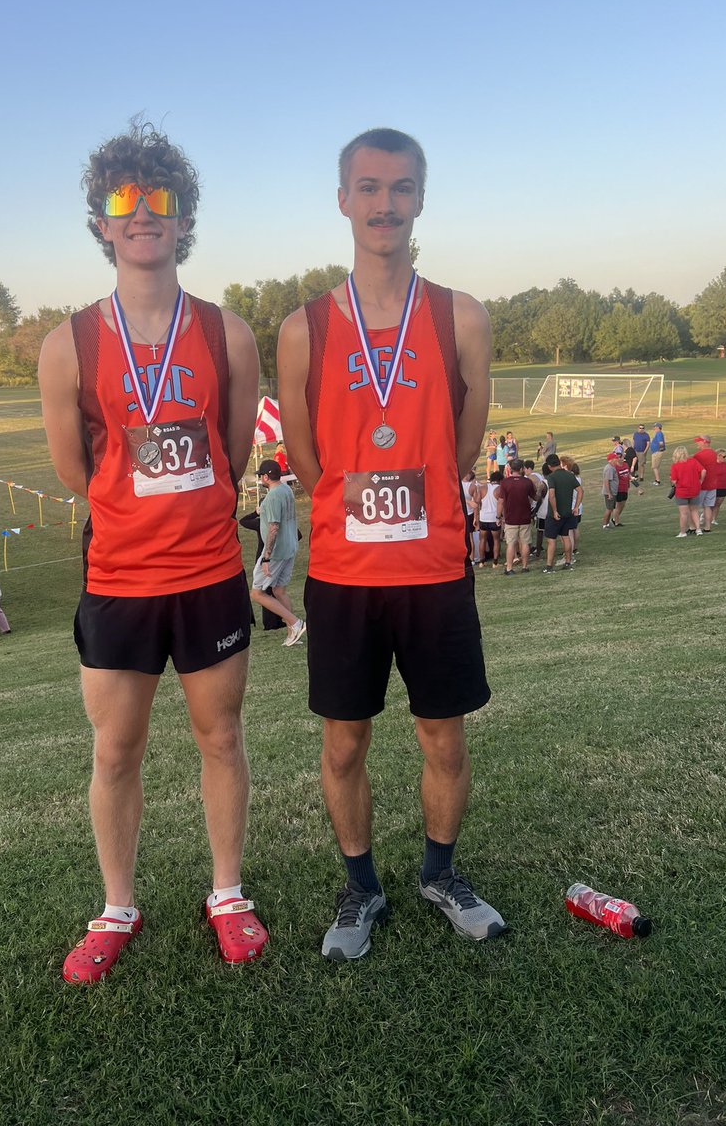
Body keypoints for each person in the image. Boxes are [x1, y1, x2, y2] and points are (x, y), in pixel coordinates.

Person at [38, 121, 266, 982]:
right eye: (123, 199)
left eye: (158, 197)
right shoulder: (67, 344)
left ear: (183, 216)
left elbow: (232, 455)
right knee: (114, 752)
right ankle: (116, 907)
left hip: (208, 572)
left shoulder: (227, 334)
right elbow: (75, 470)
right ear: (102, 221)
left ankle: (228, 894)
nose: (142, 213)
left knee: (222, 737)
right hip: (120, 578)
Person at [277, 127, 504, 962]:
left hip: (434, 569)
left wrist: (422, 491)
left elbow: (465, 444)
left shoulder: (461, 315)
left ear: (420, 199)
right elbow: (305, 458)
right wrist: (352, 500)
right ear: (343, 200)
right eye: (369, 187)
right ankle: (361, 887)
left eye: (401, 187)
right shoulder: (302, 328)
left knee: (444, 737)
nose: (385, 203)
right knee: (345, 743)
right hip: (345, 575)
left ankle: (440, 874)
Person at [249, 458, 305, 645]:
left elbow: (274, 527)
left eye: (261, 476)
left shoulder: (273, 496)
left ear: (266, 477)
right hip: (290, 546)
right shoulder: (286, 490)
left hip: (277, 551)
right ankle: (292, 633)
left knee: (256, 593)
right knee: (279, 590)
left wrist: (266, 557)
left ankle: (295, 623)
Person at [495, 459, 535, 574]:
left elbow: (501, 501)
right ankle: (524, 566)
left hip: (510, 518)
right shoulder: (527, 482)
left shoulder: (505, 482)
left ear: (510, 469)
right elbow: (534, 497)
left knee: (511, 543)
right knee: (525, 542)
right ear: (521, 469)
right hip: (525, 517)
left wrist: (498, 517)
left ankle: (509, 568)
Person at [543, 454, 581, 572]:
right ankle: (568, 562)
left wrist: (554, 511)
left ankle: (549, 566)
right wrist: (576, 507)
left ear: (549, 466)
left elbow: (552, 495)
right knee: (566, 537)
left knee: (551, 540)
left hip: (554, 514)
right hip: (567, 512)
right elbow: (580, 491)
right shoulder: (570, 475)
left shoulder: (551, 477)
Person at [669, 446, 704, 536]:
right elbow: (703, 470)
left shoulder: (675, 466)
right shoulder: (693, 461)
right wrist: (700, 480)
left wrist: (672, 481)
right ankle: (698, 529)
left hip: (682, 491)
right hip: (694, 489)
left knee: (683, 513)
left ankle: (682, 532)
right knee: (694, 511)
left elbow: (674, 481)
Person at [693, 435, 719, 531]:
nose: (697, 443)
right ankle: (707, 527)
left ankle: (696, 528)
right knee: (708, 506)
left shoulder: (698, 456)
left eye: (698, 441)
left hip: (701, 485)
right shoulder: (714, 454)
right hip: (712, 484)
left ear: (704, 442)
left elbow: (695, 470)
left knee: (694, 508)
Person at [477, 470, 503, 567]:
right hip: (494, 518)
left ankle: (481, 561)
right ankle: (495, 562)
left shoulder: (482, 488)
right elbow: (502, 504)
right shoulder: (500, 489)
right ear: (500, 480)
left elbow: (477, 502)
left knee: (482, 540)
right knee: (496, 540)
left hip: (483, 517)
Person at [611, 450, 631, 525]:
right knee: (618, 505)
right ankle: (617, 522)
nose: (622, 459)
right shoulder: (615, 467)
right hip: (618, 489)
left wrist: (630, 480)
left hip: (625, 488)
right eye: (620, 457)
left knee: (623, 504)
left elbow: (628, 474)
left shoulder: (626, 465)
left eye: (622, 457)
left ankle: (614, 518)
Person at [713, 450, 726, 524]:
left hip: (724, 487)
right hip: (715, 487)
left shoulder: (725, 464)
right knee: (711, 504)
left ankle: (713, 520)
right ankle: (704, 517)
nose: (725, 458)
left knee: (718, 504)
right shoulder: (713, 464)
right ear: (718, 456)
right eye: (724, 456)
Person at [601, 452, 619, 529]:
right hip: (609, 492)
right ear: (611, 460)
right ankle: (605, 525)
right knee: (608, 509)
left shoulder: (612, 467)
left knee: (611, 508)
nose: (617, 459)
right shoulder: (609, 468)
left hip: (612, 491)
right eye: (615, 458)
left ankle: (607, 524)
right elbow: (606, 481)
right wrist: (609, 493)